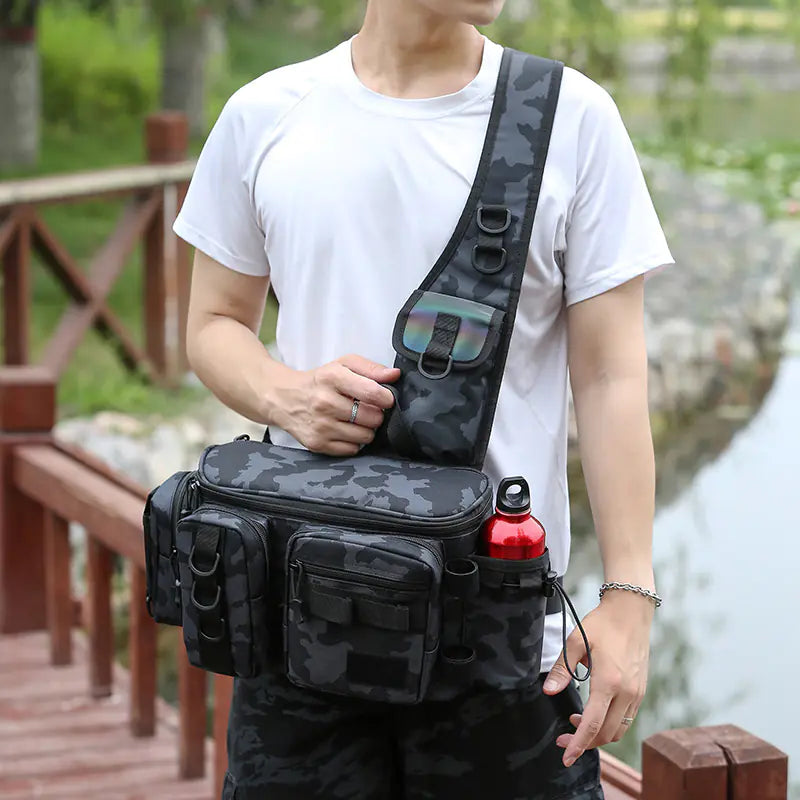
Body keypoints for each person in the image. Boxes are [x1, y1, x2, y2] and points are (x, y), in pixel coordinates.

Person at [175, 1, 673, 797]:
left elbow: (611, 376)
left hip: (500, 636)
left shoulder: (570, 119)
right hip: (301, 618)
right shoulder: (266, 114)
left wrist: (629, 596)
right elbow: (213, 323)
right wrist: (287, 395)